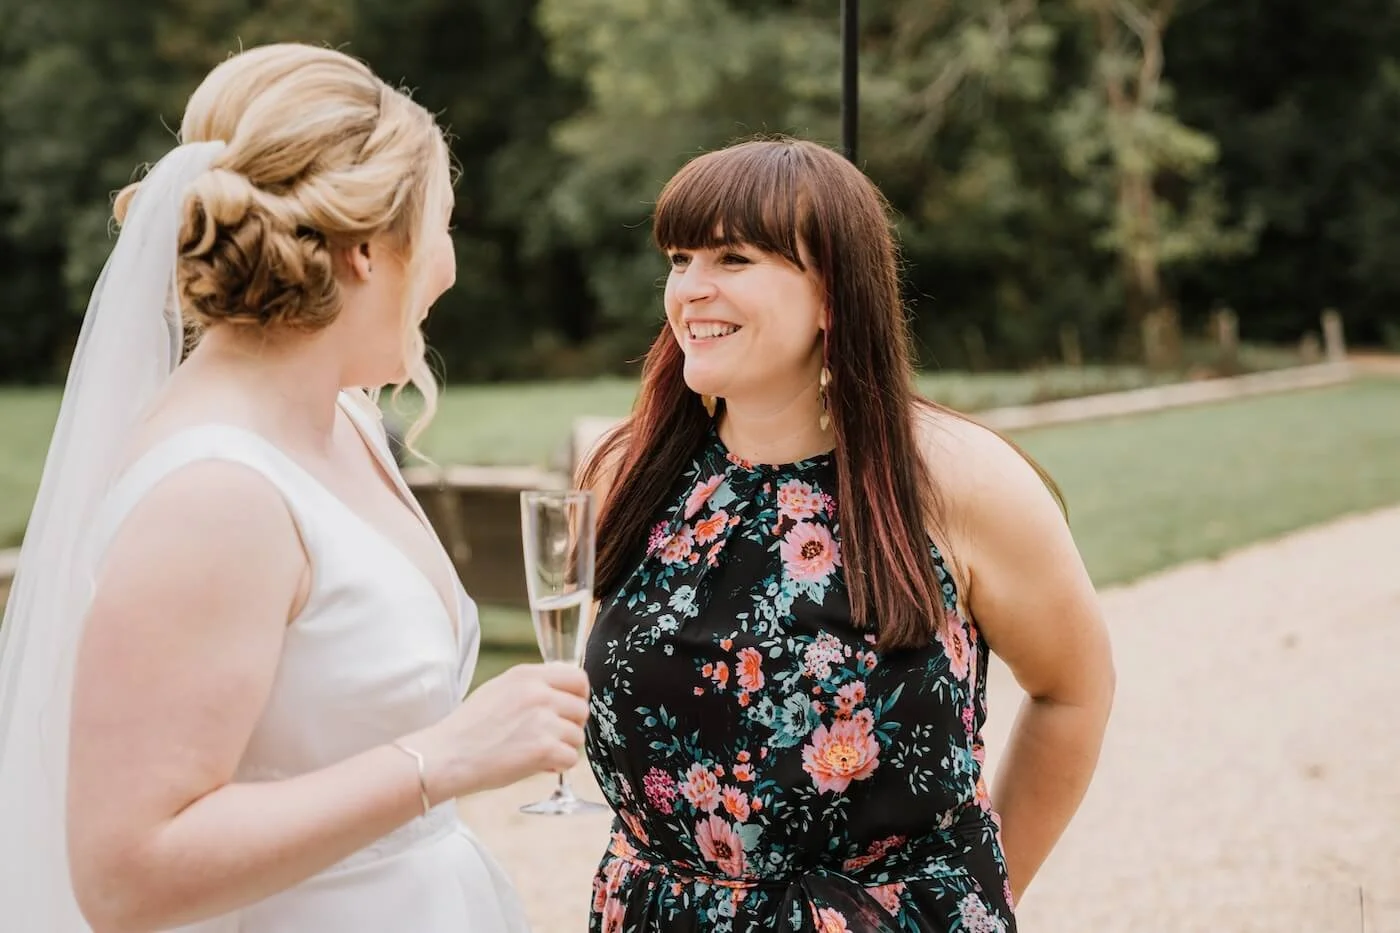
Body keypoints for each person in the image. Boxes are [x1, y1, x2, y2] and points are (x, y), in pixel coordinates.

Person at [0, 43, 589, 933]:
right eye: (442, 229)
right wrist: (441, 756)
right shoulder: (214, 492)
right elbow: (127, 874)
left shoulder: (344, 418)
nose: (450, 270)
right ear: (363, 250)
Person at [577, 137, 1116, 932]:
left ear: (832, 294)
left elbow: (1075, 690)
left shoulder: (957, 479)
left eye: (732, 258)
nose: (690, 288)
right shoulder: (629, 473)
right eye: (680, 258)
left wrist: (976, 896)